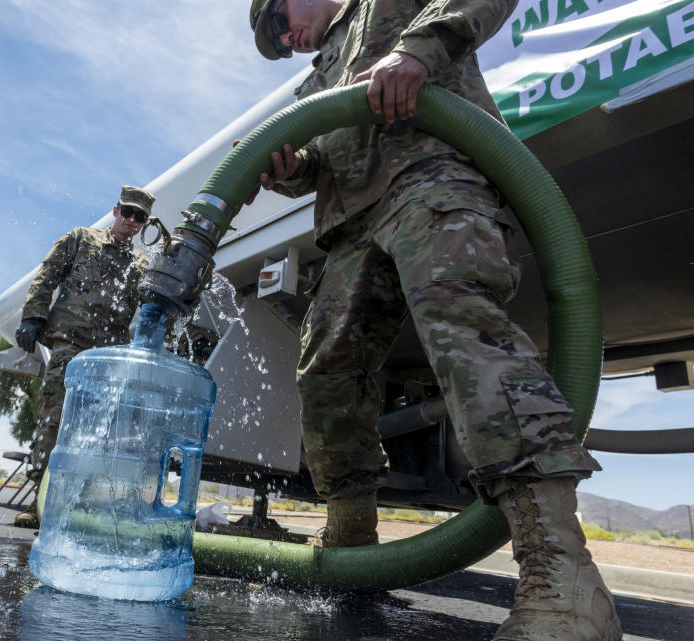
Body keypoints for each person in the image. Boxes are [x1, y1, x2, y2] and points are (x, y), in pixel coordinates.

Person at [247, 1, 621, 639]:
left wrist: (416, 50)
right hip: (350, 227)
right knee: (326, 370)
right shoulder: (317, 79)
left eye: (280, 22)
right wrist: (289, 170)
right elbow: (323, 156)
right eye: (277, 41)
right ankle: (351, 539)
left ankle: (560, 575)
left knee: (463, 332)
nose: (286, 39)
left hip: (433, 177)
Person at [12, 185, 154, 529]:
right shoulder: (80, 239)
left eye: (141, 217)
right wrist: (33, 316)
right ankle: (37, 501)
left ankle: (73, 503)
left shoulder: (141, 265)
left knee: (95, 432)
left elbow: (151, 308)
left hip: (107, 360)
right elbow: (47, 275)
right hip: (69, 349)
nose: (132, 221)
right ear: (116, 210)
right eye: (128, 212)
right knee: (54, 421)